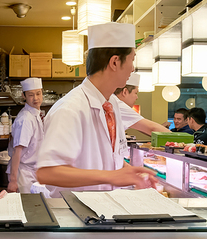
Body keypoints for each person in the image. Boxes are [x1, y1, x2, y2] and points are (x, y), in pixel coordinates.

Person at [36, 22, 156, 196]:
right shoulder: (70, 109)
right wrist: (111, 177)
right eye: (132, 59)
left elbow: (111, 157)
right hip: (73, 214)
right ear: (115, 62)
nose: (133, 68)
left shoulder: (112, 104)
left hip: (102, 211)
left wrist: (132, 172)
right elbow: (47, 173)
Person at [7, 77, 45, 194]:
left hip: (33, 171)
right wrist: (13, 180)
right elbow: (17, 151)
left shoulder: (36, 114)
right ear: (24, 96)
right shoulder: (26, 119)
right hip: (23, 175)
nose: (36, 98)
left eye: (38, 93)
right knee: (26, 209)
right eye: (31, 95)